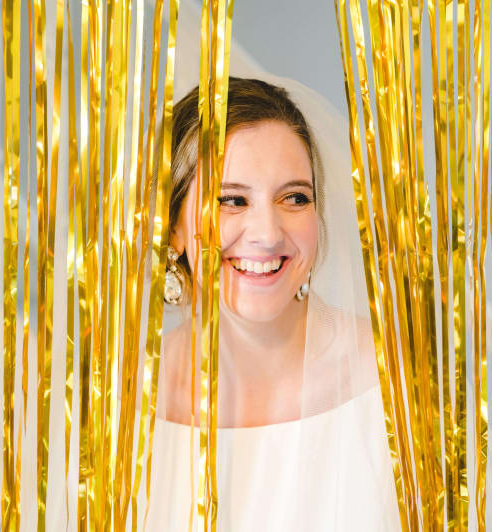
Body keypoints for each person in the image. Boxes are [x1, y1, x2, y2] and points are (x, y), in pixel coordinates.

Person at [141, 77, 402, 531]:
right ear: (173, 227)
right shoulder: (126, 406)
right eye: (232, 201)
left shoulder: (390, 376)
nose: (267, 233)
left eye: (295, 197)